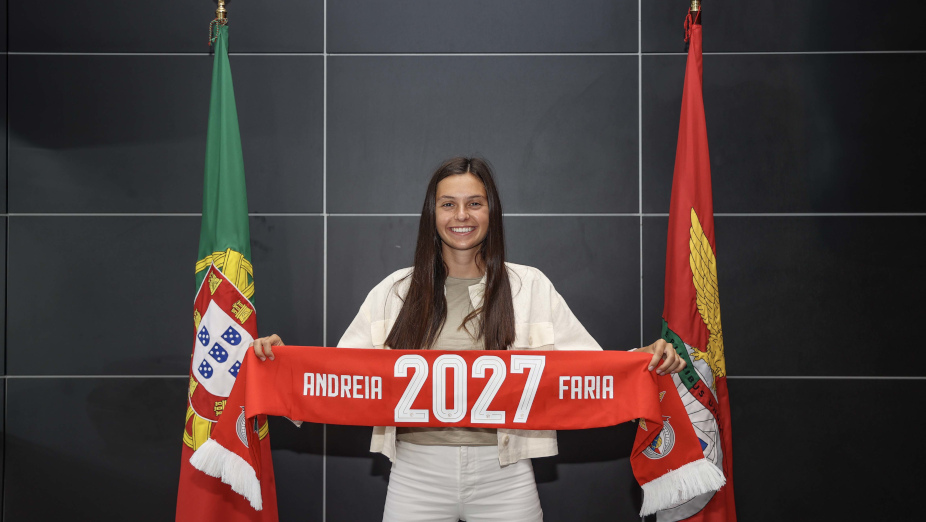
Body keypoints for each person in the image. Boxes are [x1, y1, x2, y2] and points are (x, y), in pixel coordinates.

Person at [250, 157, 686, 522]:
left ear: (491, 212)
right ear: (432, 214)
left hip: (506, 473)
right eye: (449, 204)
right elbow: (339, 377)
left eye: (474, 203)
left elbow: (589, 369)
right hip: (416, 473)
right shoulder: (395, 291)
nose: (462, 216)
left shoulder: (530, 286)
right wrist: (281, 366)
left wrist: (643, 361)